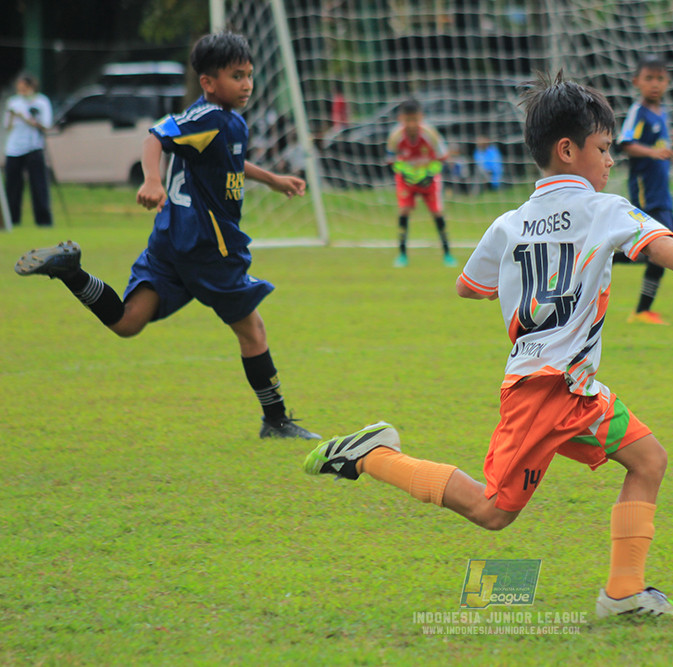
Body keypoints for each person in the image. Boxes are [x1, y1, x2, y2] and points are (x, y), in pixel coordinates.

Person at [303, 72, 673, 618]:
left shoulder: (509, 224)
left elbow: (469, 286)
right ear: (568, 150)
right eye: (604, 149)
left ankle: (625, 594)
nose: (610, 162)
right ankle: (373, 454)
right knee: (493, 511)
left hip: (574, 388)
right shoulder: (604, 211)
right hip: (544, 392)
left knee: (649, 459)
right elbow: (661, 245)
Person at [14, 32, 321, 441]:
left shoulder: (223, 120)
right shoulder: (209, 115)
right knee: (253, 331)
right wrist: (152, 180)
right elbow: (154, 138)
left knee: (127, 322)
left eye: (249, 75)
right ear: (209, 82)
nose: (246, 84)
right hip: (208, 246)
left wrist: (272, 179)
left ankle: (71, 272)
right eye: (236, 76)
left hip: (171, 243)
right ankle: (277, 420)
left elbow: (227, 159)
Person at [618, 56, 673, 325]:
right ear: (636, 82)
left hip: (662, 193)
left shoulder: (663, 113)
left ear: (667, 82)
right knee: (666, 247)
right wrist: (655, 151)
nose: (654, 84)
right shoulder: (639, 112)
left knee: (663, 250)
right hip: (647, 193)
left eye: (660, 79)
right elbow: (625, 142)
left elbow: (661, 151)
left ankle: (642, 310)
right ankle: (603, 259)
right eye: (649, 78)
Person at [386, 99, 455, 268]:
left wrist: (430, 173)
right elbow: (390, 160)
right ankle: (402, 254)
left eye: (415, 120)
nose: (411, 124)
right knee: (404, 211)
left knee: (437, 213)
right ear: (401, 118)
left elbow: (443, 158)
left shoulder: (430, 134)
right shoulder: (395, 136)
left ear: (421, 117)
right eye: (407, 120)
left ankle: (447, 254)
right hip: (407, 180)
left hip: (429, 179)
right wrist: (403, 172)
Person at [4, 73, 53, 227]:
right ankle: (12, 219)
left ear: (31, 87)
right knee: (12, 187)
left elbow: (45, 125)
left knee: (38, 186)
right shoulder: (13, 102)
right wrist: (12, 116)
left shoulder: (41, 102)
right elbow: (7, 126)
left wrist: (25, 117)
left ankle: (43, 220)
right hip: (14, 148)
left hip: (34, 147)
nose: (21, 91)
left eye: (24, 88)